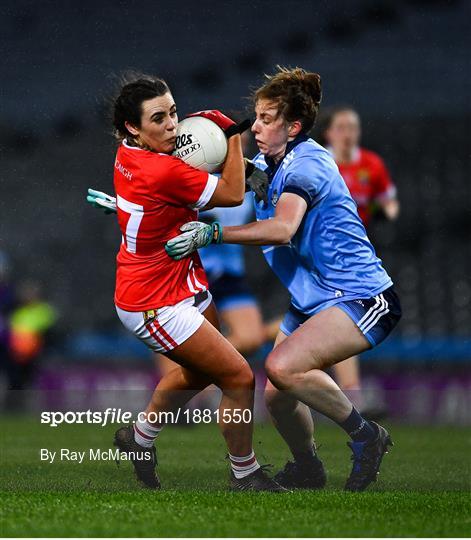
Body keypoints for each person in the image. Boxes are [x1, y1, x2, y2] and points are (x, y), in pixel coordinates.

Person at [166, 66, 402, 492]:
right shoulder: (269, 163)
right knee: (277, 396)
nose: (255, 126)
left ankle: (366, 435)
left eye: (267, 119)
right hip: (314, 297)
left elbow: (282, 228)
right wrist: (139, 204)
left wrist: (214, 233)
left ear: (293, 127)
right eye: (256, 116)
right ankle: (309, 466)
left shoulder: (305, 167)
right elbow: (218, 186)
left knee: (281, 367)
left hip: (361, 296)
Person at [95, 74, 283, 491]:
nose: (172, 126)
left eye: (174, 112)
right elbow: (234, 194)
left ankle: (137, 438)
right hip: (152, 301)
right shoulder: (159, 169)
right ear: (133, 127)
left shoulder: (129, 150)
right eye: (158, 118)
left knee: (199, 374)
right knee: (239, 377)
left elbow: (189, 151)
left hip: (181, 281)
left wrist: (213, 132)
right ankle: (245, 473)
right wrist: (232, 136)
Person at [322, 106, 400, 415]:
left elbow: (390, 205)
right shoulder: (320, 161)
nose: (348, 133)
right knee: (336, 315)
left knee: (334, 315)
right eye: (341, 126)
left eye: (353, 126)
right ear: (329, 132)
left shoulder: (371, 164)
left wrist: (377, 212)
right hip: (321, 252)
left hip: (354, 255)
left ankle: (351, 398)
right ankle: (353, 398)